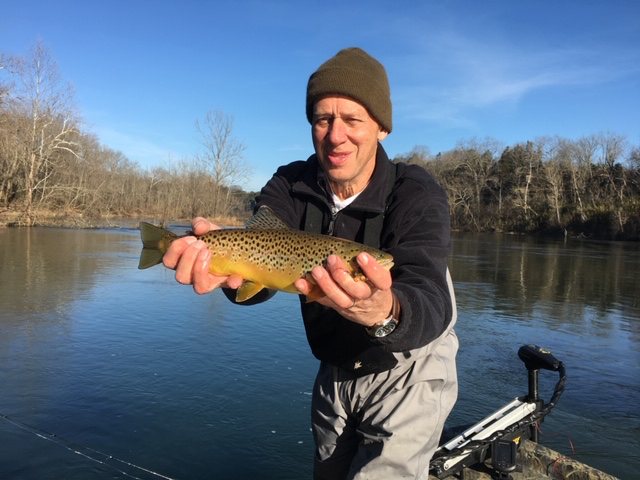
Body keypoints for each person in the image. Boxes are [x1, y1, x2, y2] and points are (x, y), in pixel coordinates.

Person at [163, 47, 458, 480]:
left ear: (381, 128)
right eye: (323, 119)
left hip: (408, 368)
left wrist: (383, 310)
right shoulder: (290, 183)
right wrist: (228, 276)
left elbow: (432, 299)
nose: (336, 135)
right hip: (334, 367)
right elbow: (257, 274)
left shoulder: (415, 193)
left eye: (353, 120)